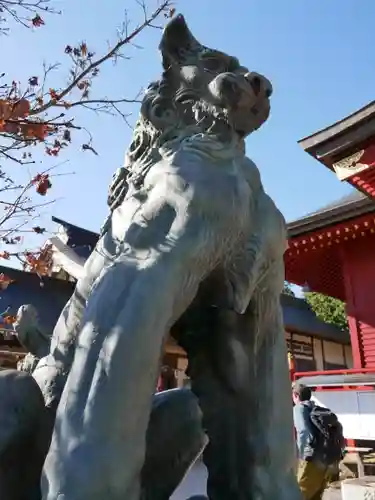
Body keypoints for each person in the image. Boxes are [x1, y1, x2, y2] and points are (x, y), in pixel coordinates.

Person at [292, 382, 344, 500]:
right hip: (326, 458)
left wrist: (302, 454)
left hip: (311, 458)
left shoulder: (299, 408)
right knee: (315, 495)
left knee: (300, 492)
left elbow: (304, 432)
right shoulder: (316, 409)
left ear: (296, 395)